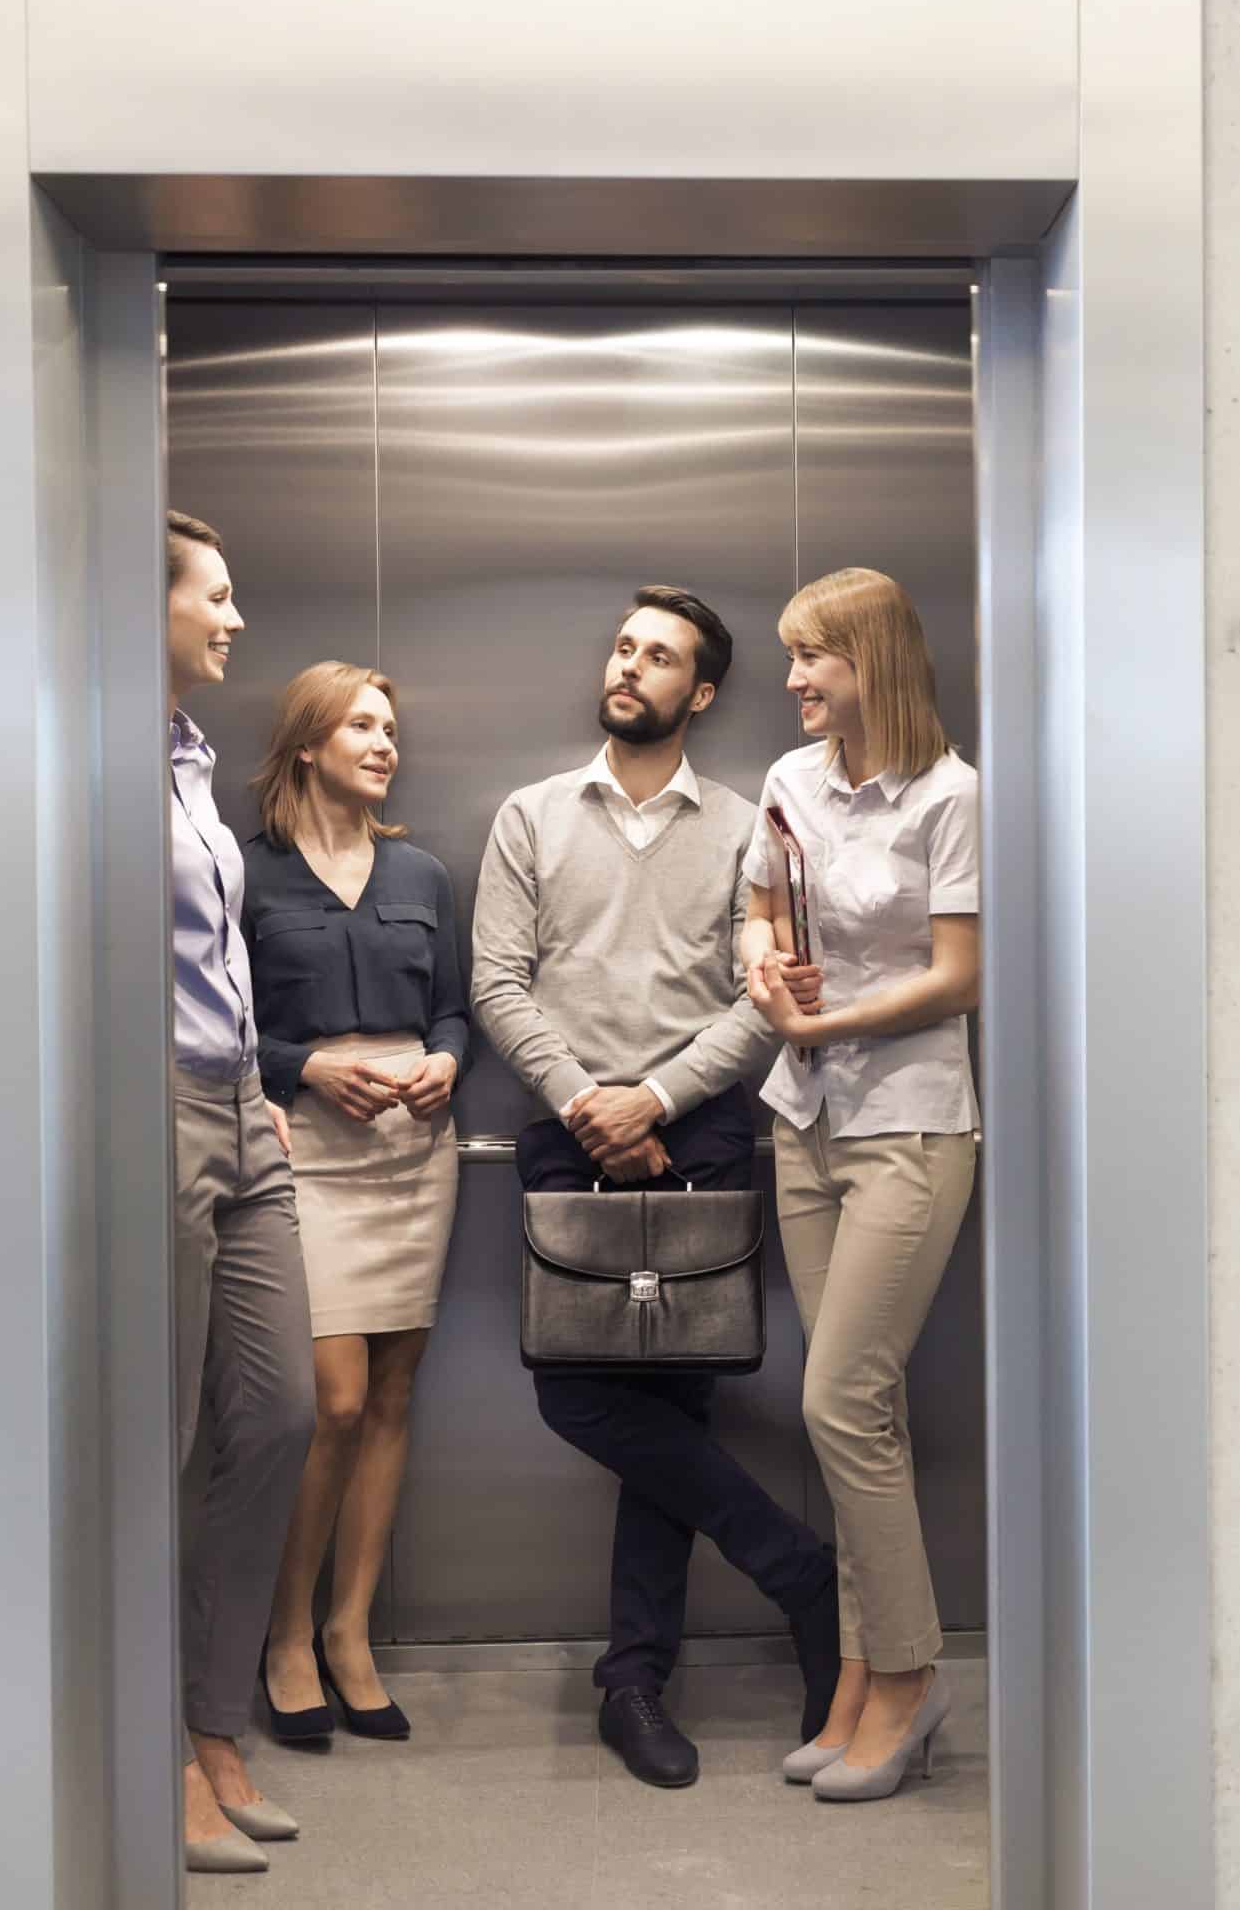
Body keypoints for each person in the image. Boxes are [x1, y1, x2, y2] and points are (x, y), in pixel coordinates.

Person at [470, 585, 844, 1789]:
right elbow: (497, 983)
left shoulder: (749, 824)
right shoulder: (531, 817)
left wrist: (660, 1102)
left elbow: (770, 994)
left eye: (661, 656)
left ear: (705, 691)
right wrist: (591, 1101)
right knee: (578, 1399)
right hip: (563, 1134)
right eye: (625, 647)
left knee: (670, 1419)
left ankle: (635, 1681)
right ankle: (798, 1571)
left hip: (704, 1141)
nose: (631, 666)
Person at [739, 567, 981, 1803]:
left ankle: (910, 1677)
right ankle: (855, 1684)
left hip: (911, 1127)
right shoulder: (790, 785)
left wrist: (827, 1024)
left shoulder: (952, 797)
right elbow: (756, 914)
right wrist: (766, 981)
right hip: (807, 1126)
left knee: (842, 1399)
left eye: (810, 660)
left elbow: (957, 977)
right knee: (853, 1418)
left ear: (867, 660)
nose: (792, 682)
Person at [243, 661, 469, 1745]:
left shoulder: (421, 872)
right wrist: (303, 1069)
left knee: (390, 1396)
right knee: (329, 1401)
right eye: (362, 726)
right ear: (307, 745)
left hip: (414, 1154)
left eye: (392, 726)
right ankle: (284, 1634)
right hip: (309, 1156)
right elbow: (224, 1028)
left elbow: (457, 1008)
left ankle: (349, 1632)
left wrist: (445, 1062)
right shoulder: (248, 876)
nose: (385, 743)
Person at [159, 510, 315, 1873]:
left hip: (235, 1100)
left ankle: (215, 1725)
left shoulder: (190, 763)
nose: (235, 617)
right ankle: (152, 1753)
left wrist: (258, 1076)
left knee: (276, 1411)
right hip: (143, 1107)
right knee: (151, 1445)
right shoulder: (96, 756)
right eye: (215, 593)